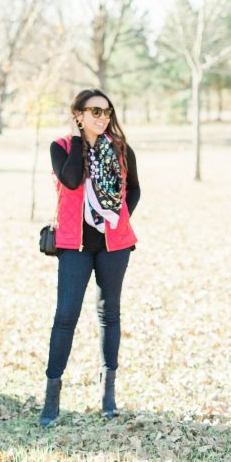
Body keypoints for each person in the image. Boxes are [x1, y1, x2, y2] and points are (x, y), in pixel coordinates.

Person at [40, 88, 141, 427]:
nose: (103, 117)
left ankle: (108, 394)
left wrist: (119, 218)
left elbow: (134, 189)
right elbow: (70, 181)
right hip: (74, 246)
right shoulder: (61, 147)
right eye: (95, 111)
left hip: (114, 245)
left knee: (109, 313)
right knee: (65, 316)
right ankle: (52, 398)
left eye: (107, 112)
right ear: (79, 115)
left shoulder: (121, 150)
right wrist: (79, 140)